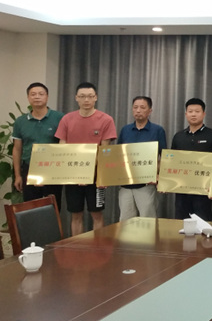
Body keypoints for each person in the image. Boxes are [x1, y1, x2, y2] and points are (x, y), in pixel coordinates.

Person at [56, 82, 117, 235]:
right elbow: (62, 148)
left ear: (96, 97)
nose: (86, 100)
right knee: (75, 214)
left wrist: (93, 175)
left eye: (90, 96)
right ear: (76, 98)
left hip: (95, 177)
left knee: (97, 214)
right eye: (82, 96)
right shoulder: (67, 119)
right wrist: (77, 174)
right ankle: (77, 246)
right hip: (72, 176)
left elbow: (104, 151)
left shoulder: (106, 120)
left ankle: (97, 246)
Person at [12, 82, 64, 210]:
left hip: (53, 168)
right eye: (33, 94)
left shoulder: (60, 118)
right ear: (28, 98)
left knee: (53, 207)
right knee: (31, 207)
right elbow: (17, 149)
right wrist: (18, 175)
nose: (37, 97)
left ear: (47, 97)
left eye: (41, 94)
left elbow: (65, 144)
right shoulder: (20, 121)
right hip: (29, 168)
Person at [170, 98, 212, 221]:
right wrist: (166, 183)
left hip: (204, 191)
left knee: (202, 224)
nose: (193, 114)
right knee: (181, 223)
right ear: (186, 114)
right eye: (190, 111)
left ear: (204, 114)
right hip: (182, 190)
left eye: (197, 111)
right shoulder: (178, 137)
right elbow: (172, 163)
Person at [116, 96, 167, 221]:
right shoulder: (125, 130)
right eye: (135, 107)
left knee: (147, 221)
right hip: (126, 184)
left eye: (142, 107)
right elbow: (118, 155)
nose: (138, 110)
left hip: (146, 184)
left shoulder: (157, 130)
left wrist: (159, 176)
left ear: (150, 111)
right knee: (125, 222)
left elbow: (164, 157)